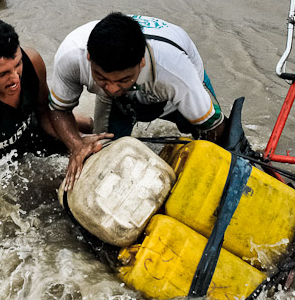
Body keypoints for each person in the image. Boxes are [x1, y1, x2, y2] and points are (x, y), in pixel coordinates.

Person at [49, 13, 226, 190]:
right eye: (101, 78)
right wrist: (76, 145)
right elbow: (58, 110)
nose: (111, 88)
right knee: (105, 163)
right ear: (89, 58)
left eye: (122, 80)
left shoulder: (175, 70)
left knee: (219, 142)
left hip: (172, 94)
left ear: (141, 63)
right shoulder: (71, 55)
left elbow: (214, 126)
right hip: (117, 103)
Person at [0, 17, 96, 180]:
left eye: (17, 65)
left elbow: (45, 112)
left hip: (31, 130)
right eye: (2, 74)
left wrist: (76, 142)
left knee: (91, 131)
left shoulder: (32, 60)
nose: (15, 79)